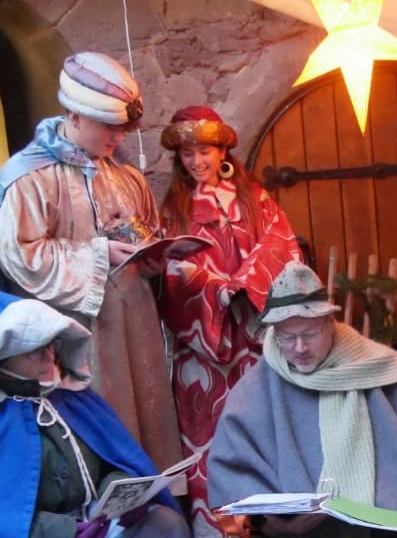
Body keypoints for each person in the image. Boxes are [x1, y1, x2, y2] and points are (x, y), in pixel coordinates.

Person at [0, 52, 182, 470]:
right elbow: (20, 257)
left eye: (123, 128)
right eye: (108, 127)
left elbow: (145, 230)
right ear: (74, 115)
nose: (118, 137)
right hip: (81, 331)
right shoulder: (29, 177)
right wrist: (97, 254)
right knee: (100, 422)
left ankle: (155, 500)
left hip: (136, 325)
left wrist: (152, 260)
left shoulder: (124, 173)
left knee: (147, 416)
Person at [207, 262, 397, 537]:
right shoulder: (255, 389)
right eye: (287, 337)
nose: (300, 348)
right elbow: (232, 474)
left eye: (309, 334)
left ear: (330, 323)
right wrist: (269, 520)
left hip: (388, 525)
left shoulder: (382, 369)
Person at [0, 288, 191, 538]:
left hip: (98, 525)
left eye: (50, 346)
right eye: (34, 352)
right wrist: (66, 531)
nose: (49, 358)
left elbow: (114, 460)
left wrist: (123, 494)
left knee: (166, 525)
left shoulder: (71, 401)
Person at [155, 105, 302, 535]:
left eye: (204, 151)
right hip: (202, 348)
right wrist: (216, 288)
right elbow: (169, 271)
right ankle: (215, 527)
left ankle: (272, 523)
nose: (197, 161)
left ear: (222, 150)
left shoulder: (256, 200)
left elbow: (282, 247)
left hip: (254, 336)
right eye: (187, 154)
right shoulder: (172, 211)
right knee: (209, 436)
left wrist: (245, 282)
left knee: (262, 427)